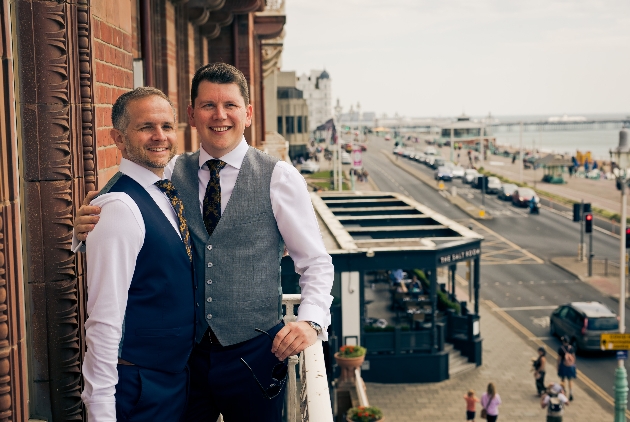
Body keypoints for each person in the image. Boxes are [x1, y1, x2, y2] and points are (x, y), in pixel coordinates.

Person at [74, 63, 334, 422]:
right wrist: (82, 227)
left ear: (248, 112)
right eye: (208, 105)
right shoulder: (169, 169)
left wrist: (311, 321)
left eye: (230, 104)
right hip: (188, 361)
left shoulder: (279, 177)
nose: (220, 115)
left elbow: (315, 262)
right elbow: (121, 202)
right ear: (193, 115)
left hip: (256, 353)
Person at [80, 87, 196, 421]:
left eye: (167, 126)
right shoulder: (119, 206)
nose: (160, 136)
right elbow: (103, 317)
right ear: (119, 138)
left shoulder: (166, 190)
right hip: (139, 385)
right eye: (146, 127)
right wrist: (100, 407)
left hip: (172, 378)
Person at [557, 337, 576, 401]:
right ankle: (571, 393)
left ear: (563, 342)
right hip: (570, 366)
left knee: (562, 379)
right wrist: (573, 365)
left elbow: (559, 359)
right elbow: (573, 357)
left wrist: (558, 367)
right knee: (570, 379)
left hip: (563, 365)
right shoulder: (571, 348)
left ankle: (563, 392)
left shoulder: (561, 349)